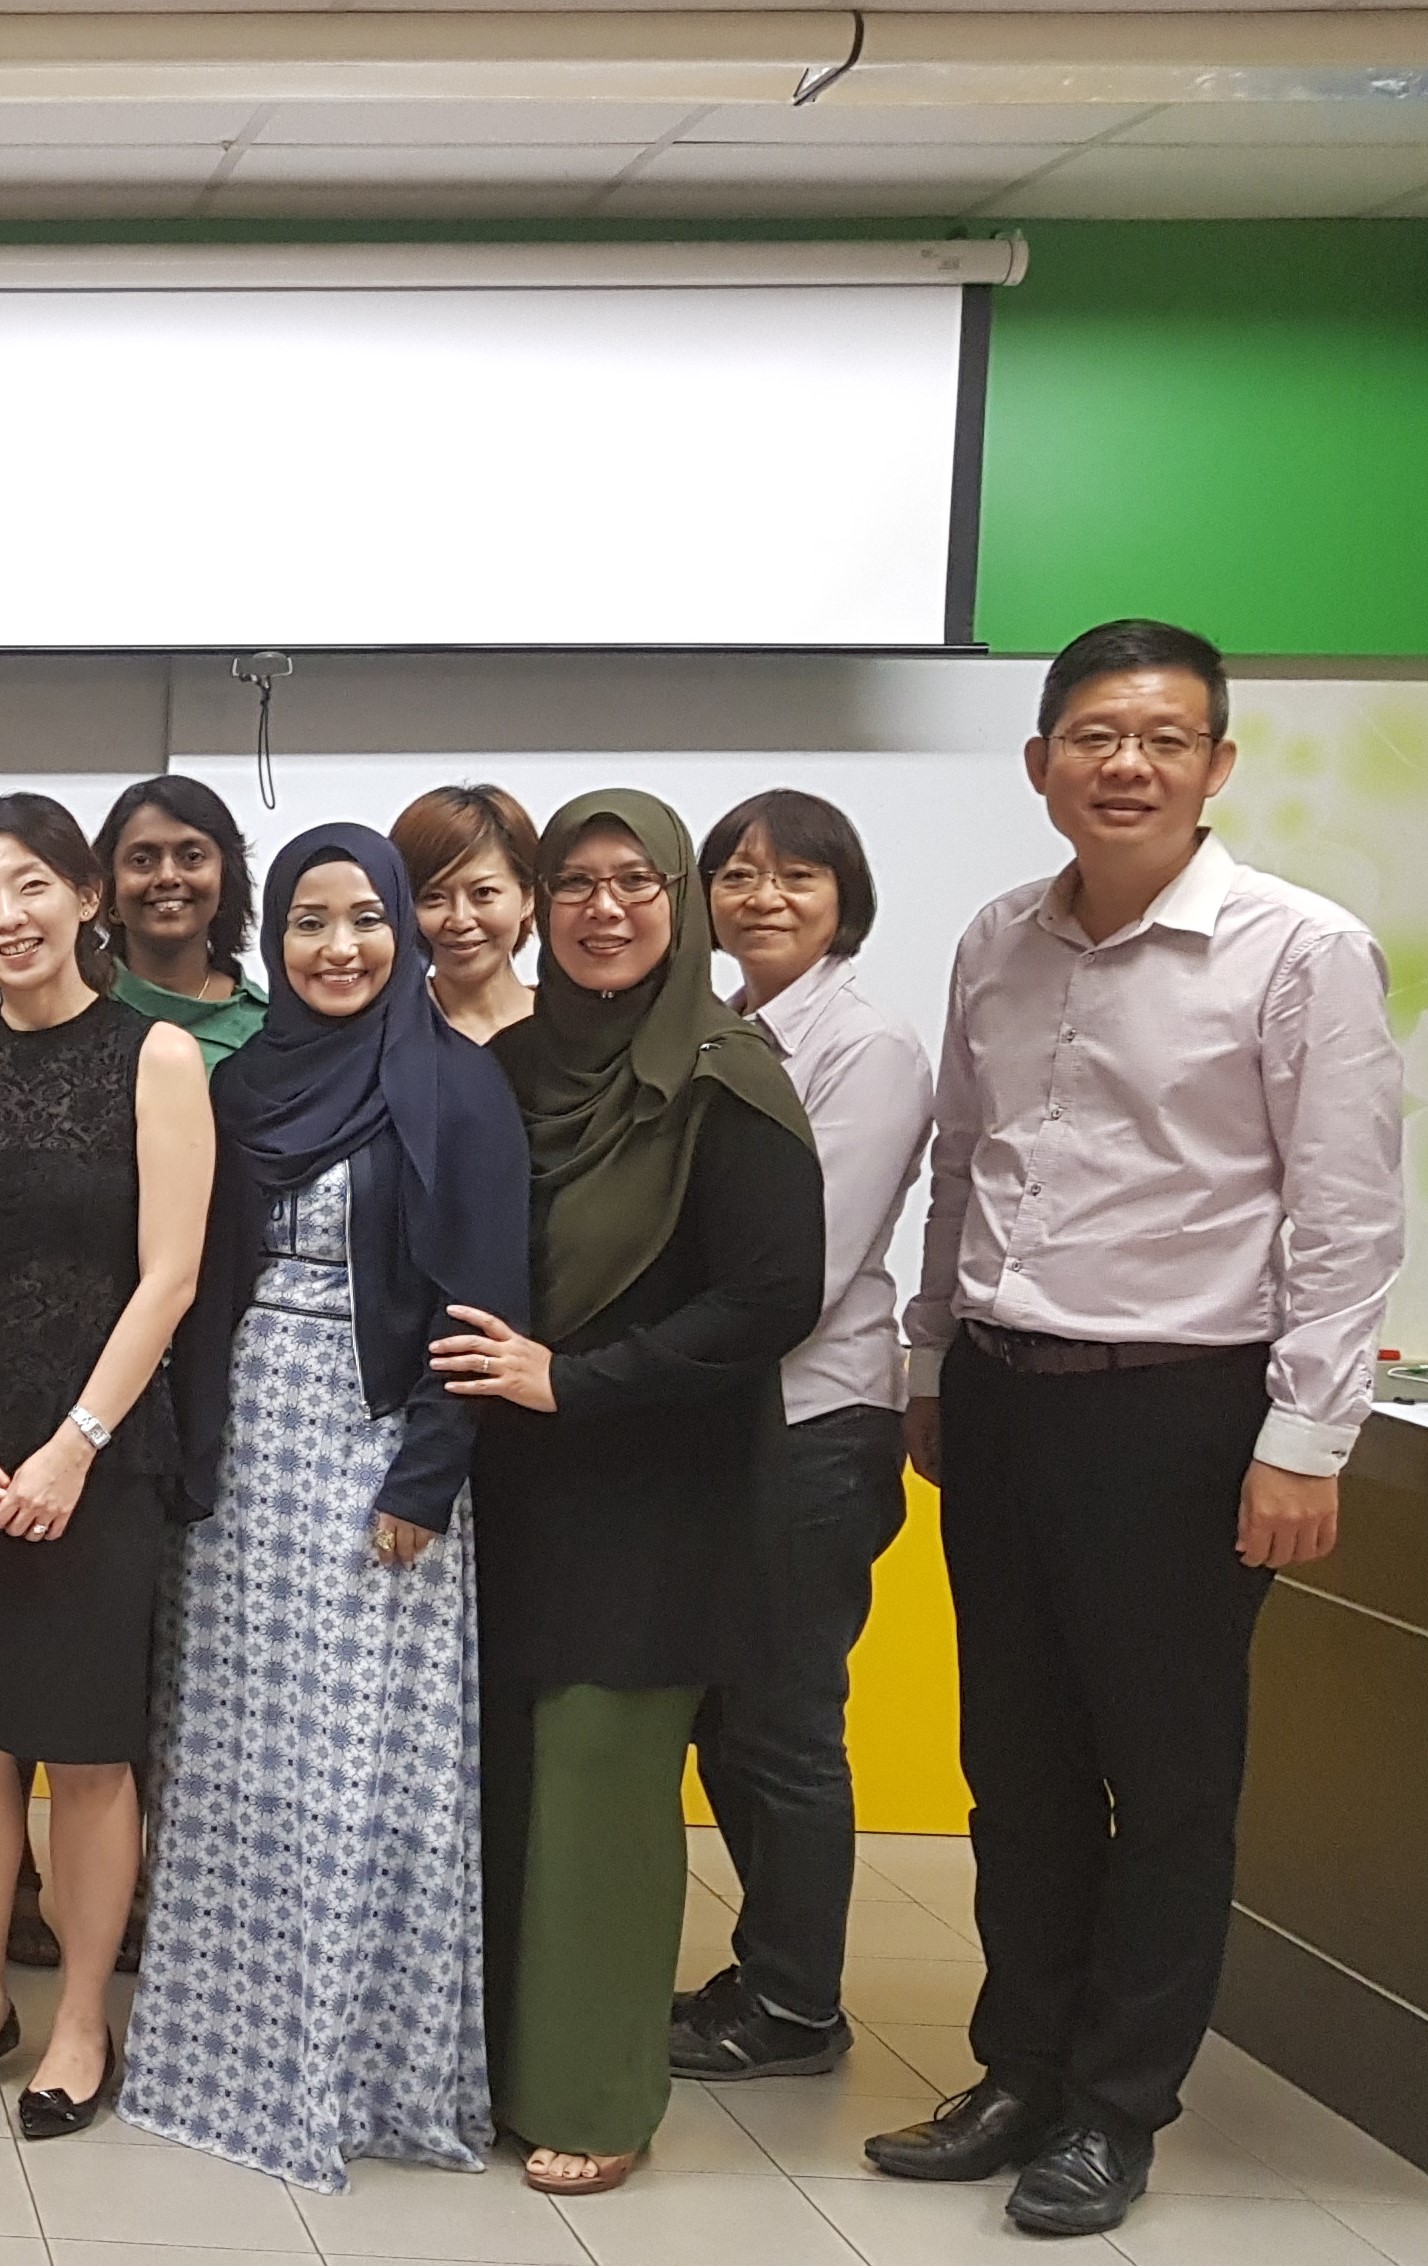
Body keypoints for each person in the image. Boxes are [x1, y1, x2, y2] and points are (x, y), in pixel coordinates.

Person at [870, 621, 1404, 2237]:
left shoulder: (1298, 948)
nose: (1126, 764)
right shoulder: (995, 936)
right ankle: (1019, 2067)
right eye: (1095, 735)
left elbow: (1343, 1215)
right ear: (1039, 762)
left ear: (1214, 765)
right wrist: (927, 1360)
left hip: (1181, 1411)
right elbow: (961, 1165)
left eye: (1163, 738)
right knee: (1012, 1761)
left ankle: (1114, 2108)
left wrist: (1304, 1436)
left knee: (1161, 1777)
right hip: (1000, 1393)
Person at [431, 788, 822, 2196]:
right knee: (505, 1785)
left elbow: (770, 1295)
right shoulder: (509, 1063)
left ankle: (595, 2091)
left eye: (633, 881)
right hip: (513, 1488)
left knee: (600, 1788)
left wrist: (577, 1378)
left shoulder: (725, 1073)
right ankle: (492, 2067)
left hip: (659, 1491)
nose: (603, 908)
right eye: (575, 882)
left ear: (680, 900)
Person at [126, 825, 527, 2190]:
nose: (338, 946)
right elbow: (193, 1281)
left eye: (364, 918)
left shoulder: (457, 1086)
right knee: (224, 1764)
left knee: (351, 1775)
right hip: (241, 1458)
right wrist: (187, 1453)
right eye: (308, 920)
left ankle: (345, 2077)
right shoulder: (241, 1083)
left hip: (372, 1458)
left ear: (403, 930)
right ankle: (211, 2062)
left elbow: (481, 1305)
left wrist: (425, 1477)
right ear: (273, 937)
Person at [0, 794, 213, 2141]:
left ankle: (78, 2016)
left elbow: (170, 1274)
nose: (2, 917)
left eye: (26, 885)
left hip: (98, 1456)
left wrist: (76, 1443)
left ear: (85, 895)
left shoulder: (157, 1057)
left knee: (85, 1750)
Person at [673, 789, 931, 2084]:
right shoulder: (717, 1031)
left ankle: (793, 2003)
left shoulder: (864, 1046)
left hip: (811, 1419)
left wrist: (624, 1348)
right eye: (735, 872)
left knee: (780, 1720)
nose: (760, 895)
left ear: (844, 896)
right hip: (722, 1421)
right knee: (726, 1718)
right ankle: (770, 1964)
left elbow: (801, 1271)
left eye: (794, 875)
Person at [99, 776, 268, 1066]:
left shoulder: (267, 1030)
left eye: (192, 856)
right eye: (141, 860)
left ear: (226, 879)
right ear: (108, 886)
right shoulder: (68, 1012)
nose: (167, 876)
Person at [391, 785, 542, 1046]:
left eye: (483, 893)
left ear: (528, 896)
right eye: (433, 897)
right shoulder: (386, 1034)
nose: (460, 920)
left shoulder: (567, 1032)